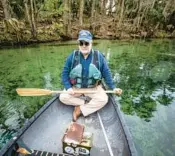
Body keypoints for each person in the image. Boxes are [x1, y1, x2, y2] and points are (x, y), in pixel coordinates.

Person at [59, 30, 122, 121]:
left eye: (86, 43)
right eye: (81, 43)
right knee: (63, 97)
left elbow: (106, 73)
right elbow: (64, 74)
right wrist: (68, 87)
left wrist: (113, 88)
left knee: (103, 99)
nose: (84, 46)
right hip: (76, 88)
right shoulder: (72, 56)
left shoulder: (99, 56)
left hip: (93, 88)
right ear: (79, 44)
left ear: (91, 43)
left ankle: (80, 109)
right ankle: (85, 102)